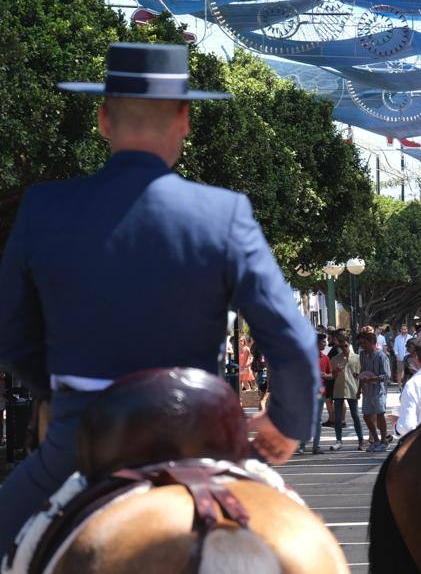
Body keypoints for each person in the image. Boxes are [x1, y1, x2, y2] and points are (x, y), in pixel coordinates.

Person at [0, 43, 319, 552]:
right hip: (196, 433)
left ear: (104, 119)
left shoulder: (44, 207)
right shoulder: (223, 213)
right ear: (184, 119)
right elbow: (291, 338)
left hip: (83, 437)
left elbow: (12, 333)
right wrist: (286, 420)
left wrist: (59, 392)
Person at [330, 336, 366, 451]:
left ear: (349, 344)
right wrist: (335, 372)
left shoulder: (357, 358)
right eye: (341, 346)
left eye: (345, 345)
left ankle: (361, 441)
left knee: (355, 416)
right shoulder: (335, 359)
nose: (344, 348)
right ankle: (338, 440)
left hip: (352, 389)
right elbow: (332, 376)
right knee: (337, 417)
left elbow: (361, 374)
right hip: (339, 389)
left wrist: (360, 390)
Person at [358, 330, 391, 452]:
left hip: (378, 390)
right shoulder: (362, 355)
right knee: (366, 416)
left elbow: (387, 375)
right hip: (367, 390)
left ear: (372, 342)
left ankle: (384, 441)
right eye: (360, 343)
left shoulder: (381, 356)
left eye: (364, 343)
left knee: (380, 414)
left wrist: (373, 379)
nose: (362, 346)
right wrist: (359, 387)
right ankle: (375, 440)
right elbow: (363, 371)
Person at [299, 334, 333, 455]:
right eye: (323, 342)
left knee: (318, 420)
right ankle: (302, 445)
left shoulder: (325, 358)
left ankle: (316, 446)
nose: (325, 344)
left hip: (320, 392)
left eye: (325, 341)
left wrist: (325, 375)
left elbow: (331, 375)